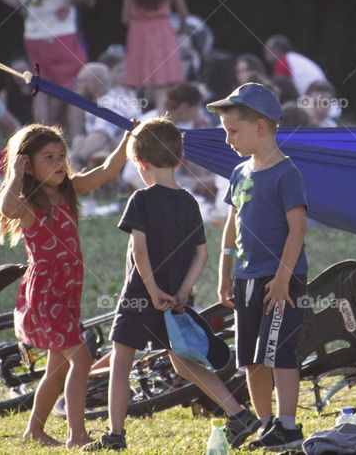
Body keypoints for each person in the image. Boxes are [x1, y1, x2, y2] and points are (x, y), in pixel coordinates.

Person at [84, 117, 261, 452]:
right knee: (183, 361)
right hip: (176, 298)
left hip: (141, 296)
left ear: (139, 162)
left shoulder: (142, 199)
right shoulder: (190, 202)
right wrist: (182, 292)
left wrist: (151, 292)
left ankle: (115, 435)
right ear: (179, 160)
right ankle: (239, 414)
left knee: (121, 362)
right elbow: (202, 254)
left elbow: (139, 250)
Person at [0, 123, 132, 448]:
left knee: (57, 367)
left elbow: (106, 171)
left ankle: (34, 431)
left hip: (67, 292)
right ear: (28, 165)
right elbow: (6, 207)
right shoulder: (28, 204)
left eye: (61, 156)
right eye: (48, 157)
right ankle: (76, 434)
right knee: (81, 360)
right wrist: (16, 174)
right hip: (45, 295)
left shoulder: (68, 191)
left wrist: (127, 138)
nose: (58, 163)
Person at [207, 83, 309, 451]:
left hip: (281, 278)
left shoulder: (287, 173)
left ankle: (288, 426)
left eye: (233, 131)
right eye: (226, 132)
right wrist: (224, 273)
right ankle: (267, 424)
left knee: (279, 353)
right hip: (246, 279)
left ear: (261, 127)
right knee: (250, 357)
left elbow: (297, 230)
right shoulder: (238, 173)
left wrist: (282, 280)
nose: (228, 139)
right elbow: (231, 228)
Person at [121, 0, 187, 109]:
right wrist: (179, 29)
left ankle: (131, 118)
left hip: (138, 31)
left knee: (135, 81)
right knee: (163, 83)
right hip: (162, 31)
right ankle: (163, 123)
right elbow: (183, 12)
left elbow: (125, 17)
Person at [0, 55, 34, 126]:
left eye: (22, 70)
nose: (19, 74)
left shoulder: (40, 92)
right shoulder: (5, 94)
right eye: (15, 72)